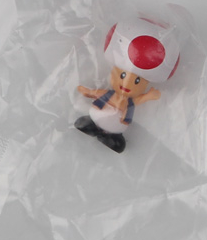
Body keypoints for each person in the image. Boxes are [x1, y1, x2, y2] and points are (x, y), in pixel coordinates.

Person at [75, 17, 180, 153]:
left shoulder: (129, 101)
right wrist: (87, 91)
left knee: (115, 137)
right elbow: (97, 93)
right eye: (123, 76)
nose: (127, 84)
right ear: (114, 73)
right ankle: (92, 125)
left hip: (116, 126)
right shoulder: (111, 95)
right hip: (97, 116)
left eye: (137, 81)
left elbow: (138, 99)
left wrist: (149, 96)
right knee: (91, 121)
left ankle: (112, 138)